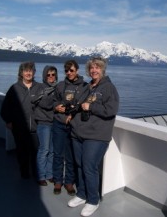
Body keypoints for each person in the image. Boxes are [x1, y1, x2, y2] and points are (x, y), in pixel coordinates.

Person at [68, 57, 119, 217]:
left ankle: (93, 200)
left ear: (102, 70)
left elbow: (111, 110)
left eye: (97, 68)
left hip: (97, 135)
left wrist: (92, 106)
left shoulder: (109, 87)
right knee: (80, 165)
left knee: (89, 166)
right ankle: (82, 194)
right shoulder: (87, 86)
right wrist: (71, 114)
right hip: (78, 133)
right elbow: (78, 104)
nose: (94, 71)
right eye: (91, 68)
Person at [52, 60, 87, 195]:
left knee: (71, 155)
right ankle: (58, 181)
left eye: (71, 70)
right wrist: (56, 106)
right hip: (59, 124)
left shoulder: (84, 86)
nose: (69, 73)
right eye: (67, 71)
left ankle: (69, 182)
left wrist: (72, 115)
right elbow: (54, 101)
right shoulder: (60, 85)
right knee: (58, 153)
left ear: (77, 70)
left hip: (73, 126)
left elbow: (83, 106)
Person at [0, 61, 40, 179]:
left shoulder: (39, 87)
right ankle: (24, 173)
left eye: (30, 70)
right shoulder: (14, 88)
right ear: (21, 73)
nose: (28, 73)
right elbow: (5, 107)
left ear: (34, 72)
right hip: (19, 127)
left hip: (35, 127)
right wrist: (8, 121)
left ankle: (36, 174)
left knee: (36, 153)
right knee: (22, 151)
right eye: (26, 71)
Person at [31, 65, 58, 186]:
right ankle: (41, 176)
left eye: (53, 74)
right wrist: (56, 102)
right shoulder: (40, 88)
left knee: (52, 151)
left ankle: (49, 174)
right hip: (43, 123)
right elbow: (45, 103)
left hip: (54, 123)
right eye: (49, 74)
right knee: (44, 150)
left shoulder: (56, 88)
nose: (51, 77)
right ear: (44, 76)